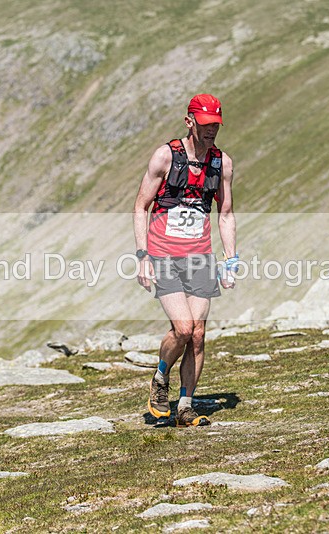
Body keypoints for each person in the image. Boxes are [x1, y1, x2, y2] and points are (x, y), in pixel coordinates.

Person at [133, 94, 237, 427]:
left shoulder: (222, 163)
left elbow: (226, 214)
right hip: (164, 254)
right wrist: (142, 256)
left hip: (200, 256)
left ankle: (186, 406)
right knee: (183, 328)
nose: (211, 131)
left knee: (198, 334)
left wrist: (230, 260)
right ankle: (160, 378)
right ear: (189, 122)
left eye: (216, 125)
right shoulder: (165, 157)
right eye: (205, 125)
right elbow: (141, 207)